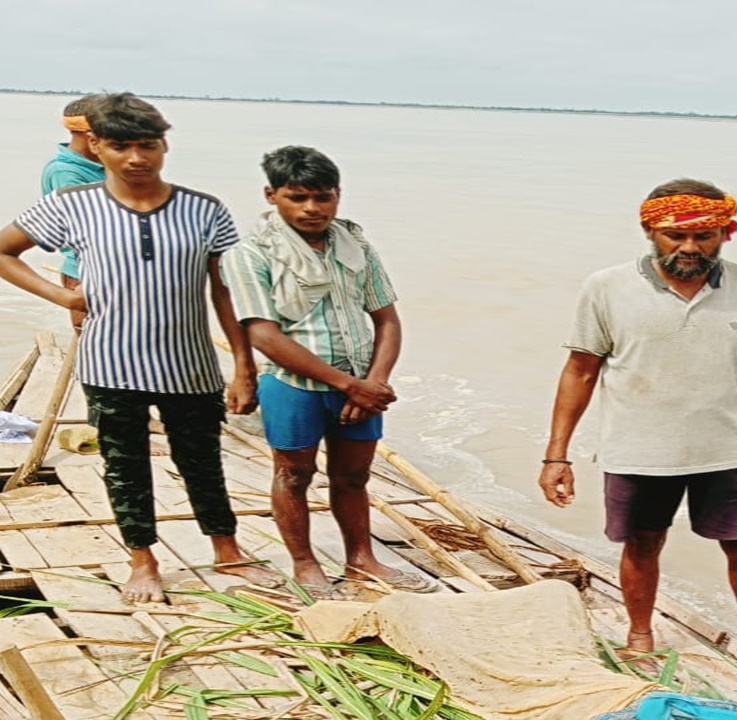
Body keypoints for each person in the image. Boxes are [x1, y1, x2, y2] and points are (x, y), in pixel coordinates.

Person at [0, 92, 281, 603]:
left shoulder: (205, 210)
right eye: (121, 145)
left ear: (165, 146)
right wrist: (63, 294)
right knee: (125, 465)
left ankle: (228, 551)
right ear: (98, 147)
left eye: (147, 144)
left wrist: (244, 365)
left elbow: (226, 292)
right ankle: (143, 561)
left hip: (189, 366)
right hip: (110, 363)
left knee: (202, 460)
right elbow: (4, 250)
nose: (136, 157)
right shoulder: (72, 206)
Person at [537, 178, 737, 681]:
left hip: (729, 448)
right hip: (639, 450)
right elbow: (580, 371)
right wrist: (556, 455)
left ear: (726, 233)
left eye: (705, 236)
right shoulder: (606, 287)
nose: (690, 247)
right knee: (642, 544)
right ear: (648, 231)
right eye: (674, 236)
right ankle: (640, 634)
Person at [220, 145, 436, 598]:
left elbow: (386, 319)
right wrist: (351, 385)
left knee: (354, 476)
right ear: (271, 195)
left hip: (359, 385)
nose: (312, 209)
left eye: (323, 197)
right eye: (297, 198)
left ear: (338, 195)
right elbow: (264, 335)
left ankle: (361, 559)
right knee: (294, 474)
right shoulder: (250, 255)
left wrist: (373, 383)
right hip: (294, 386)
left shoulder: (355, 246)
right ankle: (305, 562)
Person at [41, 94, 106, 332]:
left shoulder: (104, 165)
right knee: (96, 345)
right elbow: (93, 230)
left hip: (113, 272)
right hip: (86, 275)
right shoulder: (66, 172)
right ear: (90, 135)